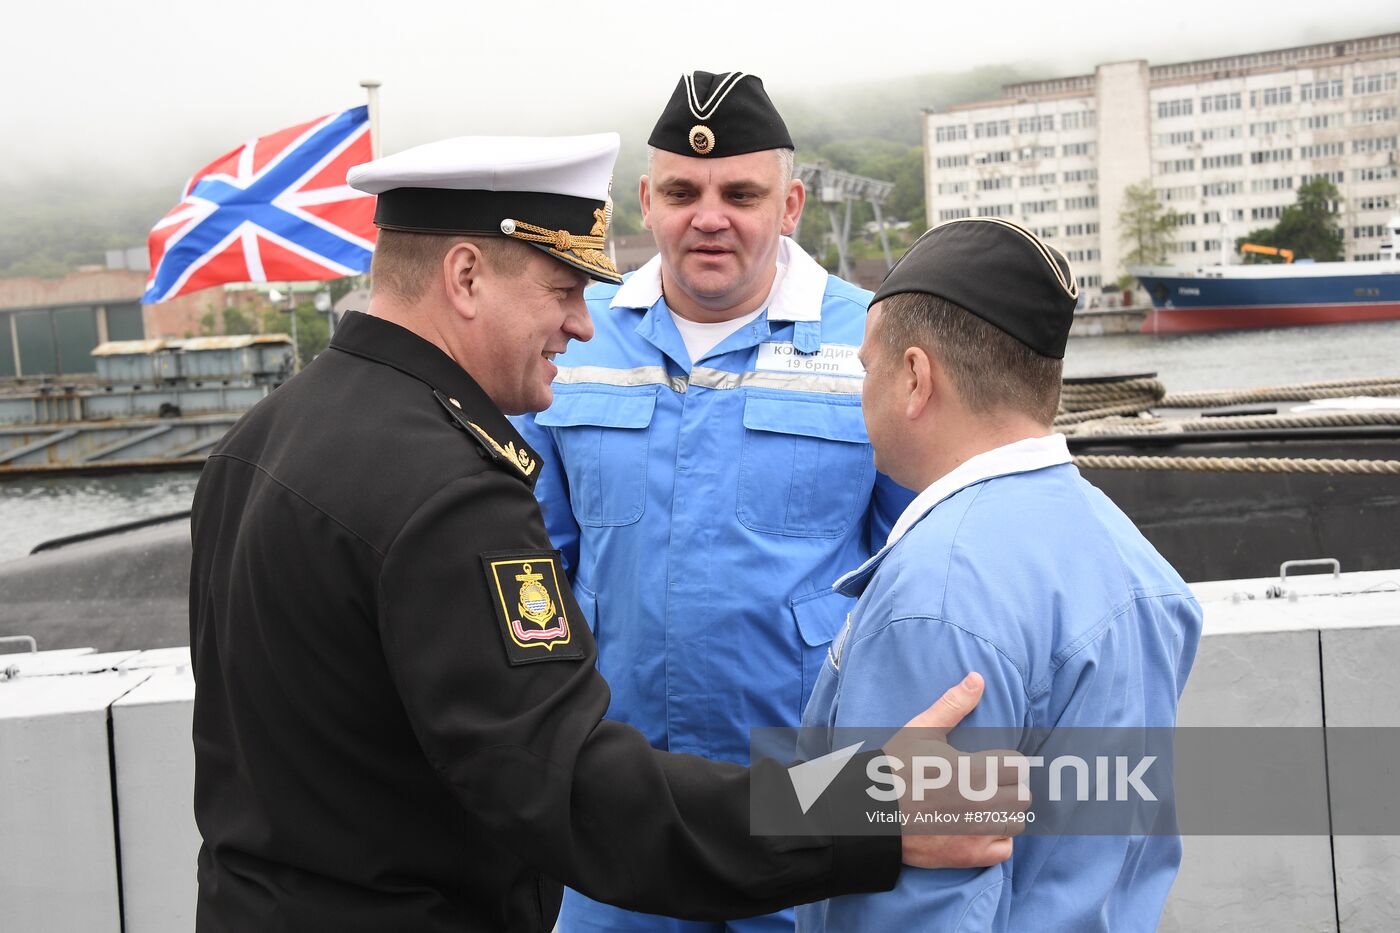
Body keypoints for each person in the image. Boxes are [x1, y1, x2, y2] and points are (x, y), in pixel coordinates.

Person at [187, 133, 1022, 933]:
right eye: (561, 290)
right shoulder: (452, 492)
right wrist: (862, 807)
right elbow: (569, 787)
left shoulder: (255, 443)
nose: (585, 326)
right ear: (467, 276)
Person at [512, 71, 914, 933]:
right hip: (619, 804)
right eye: (684, 192)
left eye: (741, 192)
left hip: (809, 797)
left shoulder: (873, 342)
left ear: (791, 203)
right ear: (647, 201)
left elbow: (916, 574)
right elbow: (535, 562)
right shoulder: (575, 338)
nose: (710, 216)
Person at [794, 218, 1204, 931]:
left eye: (868, 369)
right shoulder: (1132, 556)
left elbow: (919, 896)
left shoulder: (937, 593)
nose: (862, 394)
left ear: (916, 378)